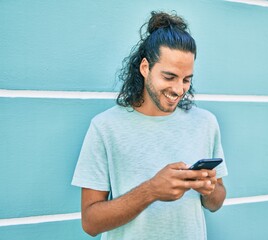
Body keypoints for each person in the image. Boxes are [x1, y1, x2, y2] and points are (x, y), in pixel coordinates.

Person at [71, 10, 228, 240]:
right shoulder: (105, 127)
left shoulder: (205, 123)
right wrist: (151, 190)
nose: (178, 89)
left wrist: (209, 189)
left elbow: (216, 202)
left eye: (186, 80)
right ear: (145, 68)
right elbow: (91, 223)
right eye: (169, 76)